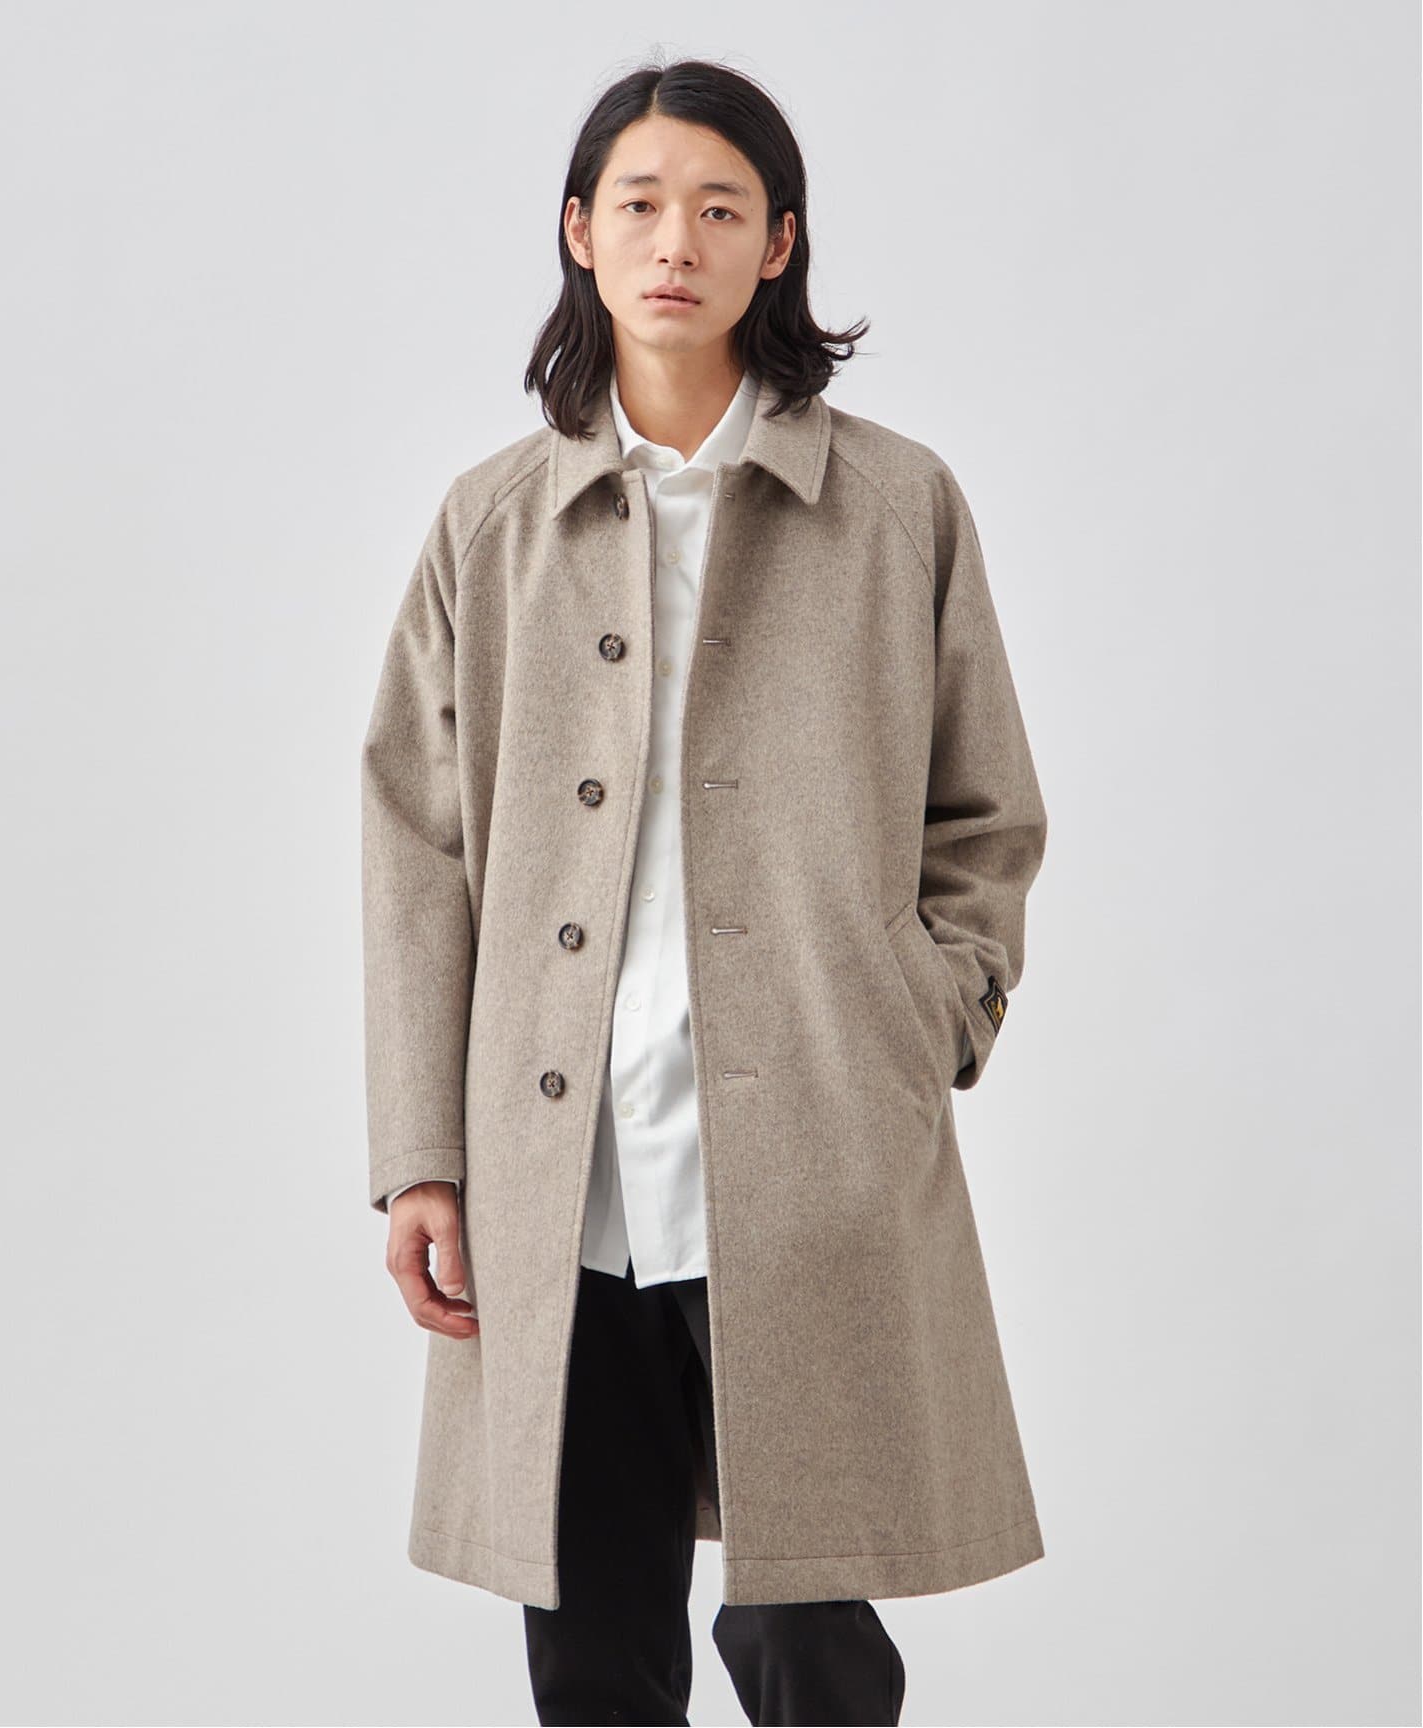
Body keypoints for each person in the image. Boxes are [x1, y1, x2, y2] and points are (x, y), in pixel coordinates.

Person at [362, 56, 1047, 1728]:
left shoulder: (895, 505)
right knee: (592, 1656)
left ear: (778, 245)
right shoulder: (492, 525)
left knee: (810, 1645)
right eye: (643, 203)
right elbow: (415, 847)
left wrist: (929, 1019)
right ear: (580, 233)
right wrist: (423, 1157)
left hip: (813, 1151)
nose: (678, 241)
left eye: (722, 208)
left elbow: (985, 814)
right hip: (561, 1178)